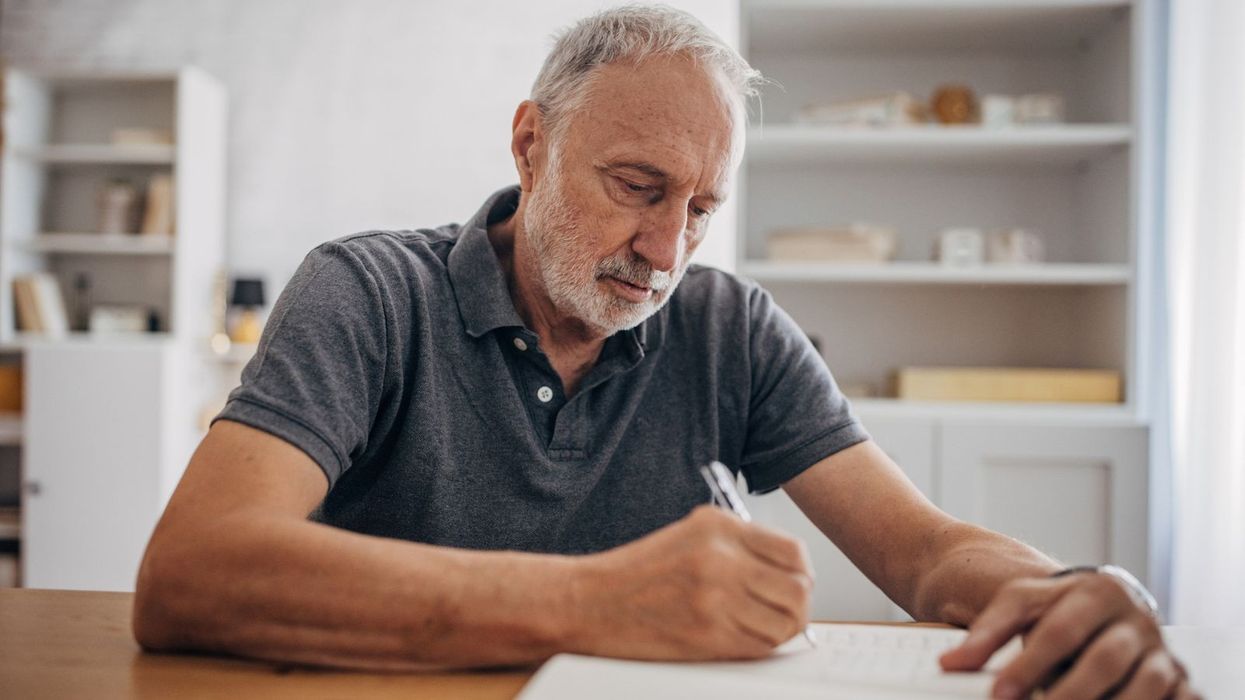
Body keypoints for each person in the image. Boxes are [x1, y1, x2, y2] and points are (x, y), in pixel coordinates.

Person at [133, 5, 1197, 698]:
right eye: (640, 188)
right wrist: (594, 603)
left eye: (701, 208)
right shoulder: (367, 294)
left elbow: (923, 550)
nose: (665, 248)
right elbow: (191, 573)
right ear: (530, 140)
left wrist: (1065, 590)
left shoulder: (731, 327)